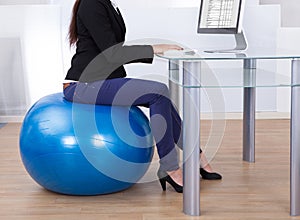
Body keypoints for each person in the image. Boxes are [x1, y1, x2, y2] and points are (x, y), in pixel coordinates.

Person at [63, 0, 221, 193]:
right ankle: (170, 167)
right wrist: (155, 48)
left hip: (102, 81)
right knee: (158, 92)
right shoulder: (92, 3)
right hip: (84, 85)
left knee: (161, 96)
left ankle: (195, 156)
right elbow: (112, 53)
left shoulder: (107, 3)